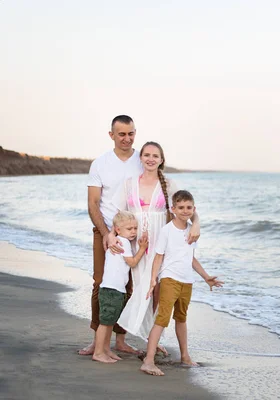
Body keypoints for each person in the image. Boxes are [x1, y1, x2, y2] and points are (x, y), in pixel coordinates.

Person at [111, 141, 201, 350]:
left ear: (161, 160)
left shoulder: (169, 184)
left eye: (155, 156)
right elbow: (117, 214)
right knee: (136, 287)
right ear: (141, 158)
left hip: (161, 243)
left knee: (157, 290)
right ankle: (126, 338)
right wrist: (111, 235)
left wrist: (196, 224)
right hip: (136, 242)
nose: (151, 159)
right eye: (147, 155)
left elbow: (187, 208)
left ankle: (152, 340)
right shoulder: (129, 182)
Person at [79, 115, 143, 356]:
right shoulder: (101, 163)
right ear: (112, 135)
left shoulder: (141, 160)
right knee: (101, 283)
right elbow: (93, 204)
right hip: (105, 231)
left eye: (131, 133)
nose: (127, 138)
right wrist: (107, 234)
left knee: (128, 286)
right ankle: (97, 341)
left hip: (133, 233)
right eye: (122, 134)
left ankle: (120, 339)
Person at [140, 190, 223, 376]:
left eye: (189, 207)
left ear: (194, 209)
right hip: (170, 278)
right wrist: (154, 279)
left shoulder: (192, 232)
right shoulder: (167, 230)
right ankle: (149, 360)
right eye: (181, 207)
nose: (185, 211)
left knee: (181, 318)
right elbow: (158, 257)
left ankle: (185, 356)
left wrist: (205, 276)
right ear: (173, 209)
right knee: (162, 319)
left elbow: (191, 258)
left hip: (187, 280)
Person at [92, 211, 148, 363]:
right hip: (112, 289)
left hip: (115, 289)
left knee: (110, 321)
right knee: (105, 322)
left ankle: (106, 349)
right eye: (129, 229)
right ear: (118, 229)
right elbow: (132, 262)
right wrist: (142, 248)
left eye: (135, 228)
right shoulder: (123, 242)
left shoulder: (117, 239)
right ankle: (98, 352)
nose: (134, 232)